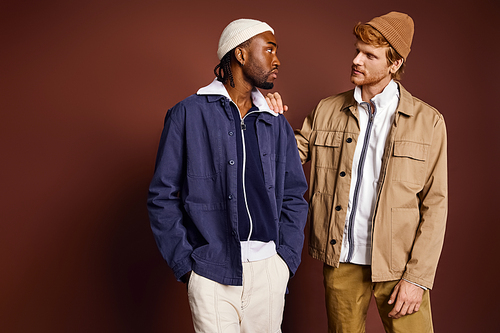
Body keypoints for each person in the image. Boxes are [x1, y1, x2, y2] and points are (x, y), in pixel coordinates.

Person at [147, 18, 308, 333]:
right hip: (211, 271)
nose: (277, 60)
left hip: (269, 269)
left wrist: (285, 260)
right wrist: (187, 265)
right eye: (269, 50)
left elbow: (293, 195)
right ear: (241, 54)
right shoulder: (188, 114)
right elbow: (161, 196)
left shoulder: (276, 123)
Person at [291, 11, 447, 333]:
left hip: (398, 266)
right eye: (357, 50)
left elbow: (435, 204)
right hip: (341, 259)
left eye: (369, 55)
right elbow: (286, 157)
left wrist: (417, 278)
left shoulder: (428, 122)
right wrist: (264, 113)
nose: (356, 60)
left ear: (394, 64)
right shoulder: (326, 110)